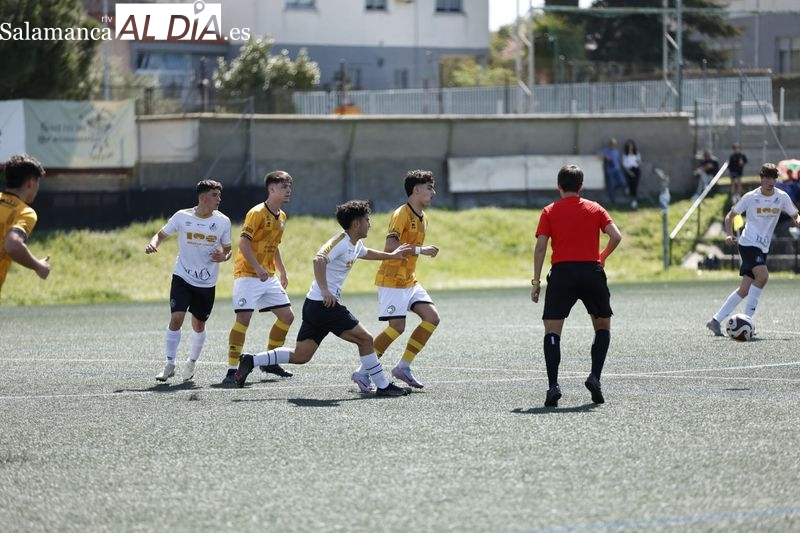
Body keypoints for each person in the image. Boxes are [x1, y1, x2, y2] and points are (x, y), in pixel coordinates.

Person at [233, 200, 412, 397]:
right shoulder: (341, 242)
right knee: (366, 339)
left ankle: (251, 360)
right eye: (366, 220)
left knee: (301, 355)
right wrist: (326, 291)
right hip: (325, 304)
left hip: (315, 306)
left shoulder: (355, 244)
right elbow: (319, 259)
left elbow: (366, 252)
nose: (370, 223)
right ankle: (383, 385)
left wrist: (392, 256)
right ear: (356, 224)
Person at [531, 164, 623, 407]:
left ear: (559, 186)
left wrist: (536, 281)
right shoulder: (595, 208)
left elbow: (540, 247)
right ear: (581, 186)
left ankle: (553, 386)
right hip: (592, 272)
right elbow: (616, 236)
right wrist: (602, 257)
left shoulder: (549, 211)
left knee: (552, 330)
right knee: (602, 325)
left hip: (562, 274)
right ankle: (595, 377)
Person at [356, 169, 440, 389]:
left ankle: (403, 366)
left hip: (409, 280)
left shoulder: (424, 218)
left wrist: (419, 252)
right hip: (392, 279)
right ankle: (362, 373)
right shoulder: (401, 213)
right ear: (416, 190)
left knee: (431, 318)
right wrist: (422, 251)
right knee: (397, 327)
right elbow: (391, 247)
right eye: (429, 188)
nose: (434, 192)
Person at [145, 180, 232, 382]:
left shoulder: (223, 221)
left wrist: (224, 256)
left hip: (206, 282)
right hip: (182, 276)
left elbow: (228, 250)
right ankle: (169, 364)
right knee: (177, 318)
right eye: (215, 195)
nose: (219, 199)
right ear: (202, 197)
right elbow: (161, 234)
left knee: (199, 324)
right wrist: (153, 243)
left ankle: (191, 363)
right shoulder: (182, 216)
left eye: (219, 195)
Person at [706, 163, 800, 336]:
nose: (770, 181)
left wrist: (798, 221)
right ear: (761, 178)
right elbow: (730, 216)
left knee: (744, 289)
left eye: (774, 177)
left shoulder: (782, 197)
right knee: (762, 277)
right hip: (748, 243)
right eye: (767, 177)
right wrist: (728, 234)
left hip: (763, 247)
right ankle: (747, 319)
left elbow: (795, 215)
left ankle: (715, 320)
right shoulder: (750, 197)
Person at [223, 170, 295, 384]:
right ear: (272, 189)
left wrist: (282, 270)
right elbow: (243, 243)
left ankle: (269, 361)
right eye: (284, 187)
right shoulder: (256, 213)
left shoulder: (282, 216)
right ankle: (231, 369)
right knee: (243, 319)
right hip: (247, 275)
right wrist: (257, 267)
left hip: (268, 277)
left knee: (287, 316)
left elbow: (275, 246)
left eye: (290, 187)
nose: (288, 190)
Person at [0, 153, 50, 301]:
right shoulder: (25, 212)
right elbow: (13, 244)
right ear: (30, 183)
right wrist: (38, 266)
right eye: (38, 182)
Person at [599, 138, 627, 206]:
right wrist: (606, 156)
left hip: (617, 170)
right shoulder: (606, 150)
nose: (613, 145)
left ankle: (615, 187)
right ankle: (613, 202)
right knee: (611, 186)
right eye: (612, 144)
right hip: (610, 171)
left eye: (614, 144)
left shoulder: (617, 151)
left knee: (623, 182)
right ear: (609, 144)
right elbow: (597, 153)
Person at [621, 139, 642, 209]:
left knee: (635, 185)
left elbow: (639, 163)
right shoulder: (625, 154)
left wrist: (637, 161)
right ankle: (633, 198)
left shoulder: (637, 153)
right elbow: (624, 164)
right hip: (629, 170)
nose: (630, 147)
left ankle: (634, 200)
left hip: (636, 170)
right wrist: (630, 172)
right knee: (631, 184)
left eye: (631, 145)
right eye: (629, 146)